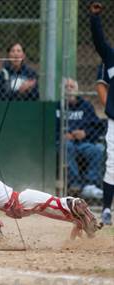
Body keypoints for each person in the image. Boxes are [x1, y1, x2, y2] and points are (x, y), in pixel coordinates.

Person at [57, 78, 104, 199]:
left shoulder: (86, 106)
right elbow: (49, 129)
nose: (69, 90)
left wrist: (85, 133)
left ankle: (91, 185)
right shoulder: (57, 107)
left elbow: (99, 127)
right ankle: (75, 185)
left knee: (97, 150)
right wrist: (61, 135)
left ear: (77, 90)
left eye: (72, 87)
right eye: (66, 87)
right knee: (67, 146)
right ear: (61, 91)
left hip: (83, 143)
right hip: (65, 144)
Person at [89, 2, 114, 225]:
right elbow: (99, 42)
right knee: (112, 165)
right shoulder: (110, 56)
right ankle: (106, 209)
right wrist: (95, 18)